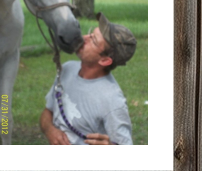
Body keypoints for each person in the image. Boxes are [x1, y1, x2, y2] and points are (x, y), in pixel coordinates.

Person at [40, 12, 137, 145]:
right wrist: (50, 130)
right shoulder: (67, 69)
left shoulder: (112, 100)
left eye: (93, 41)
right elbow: (47, 112)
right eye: (91, 33)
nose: (83, 38)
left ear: (104, 60)